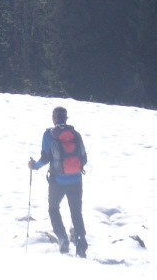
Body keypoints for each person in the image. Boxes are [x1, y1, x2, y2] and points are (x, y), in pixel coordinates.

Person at [28, 106, 89, 258]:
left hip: (57, 181)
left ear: (54, 118)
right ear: (66, 118)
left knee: (53, 209)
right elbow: (84, 158)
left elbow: (45, 158)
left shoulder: (49, 134)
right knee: (76, 212)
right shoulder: (75, 134)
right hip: (76, 179)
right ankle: (81, 242)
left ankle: (62, 238)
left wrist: (34, 166)